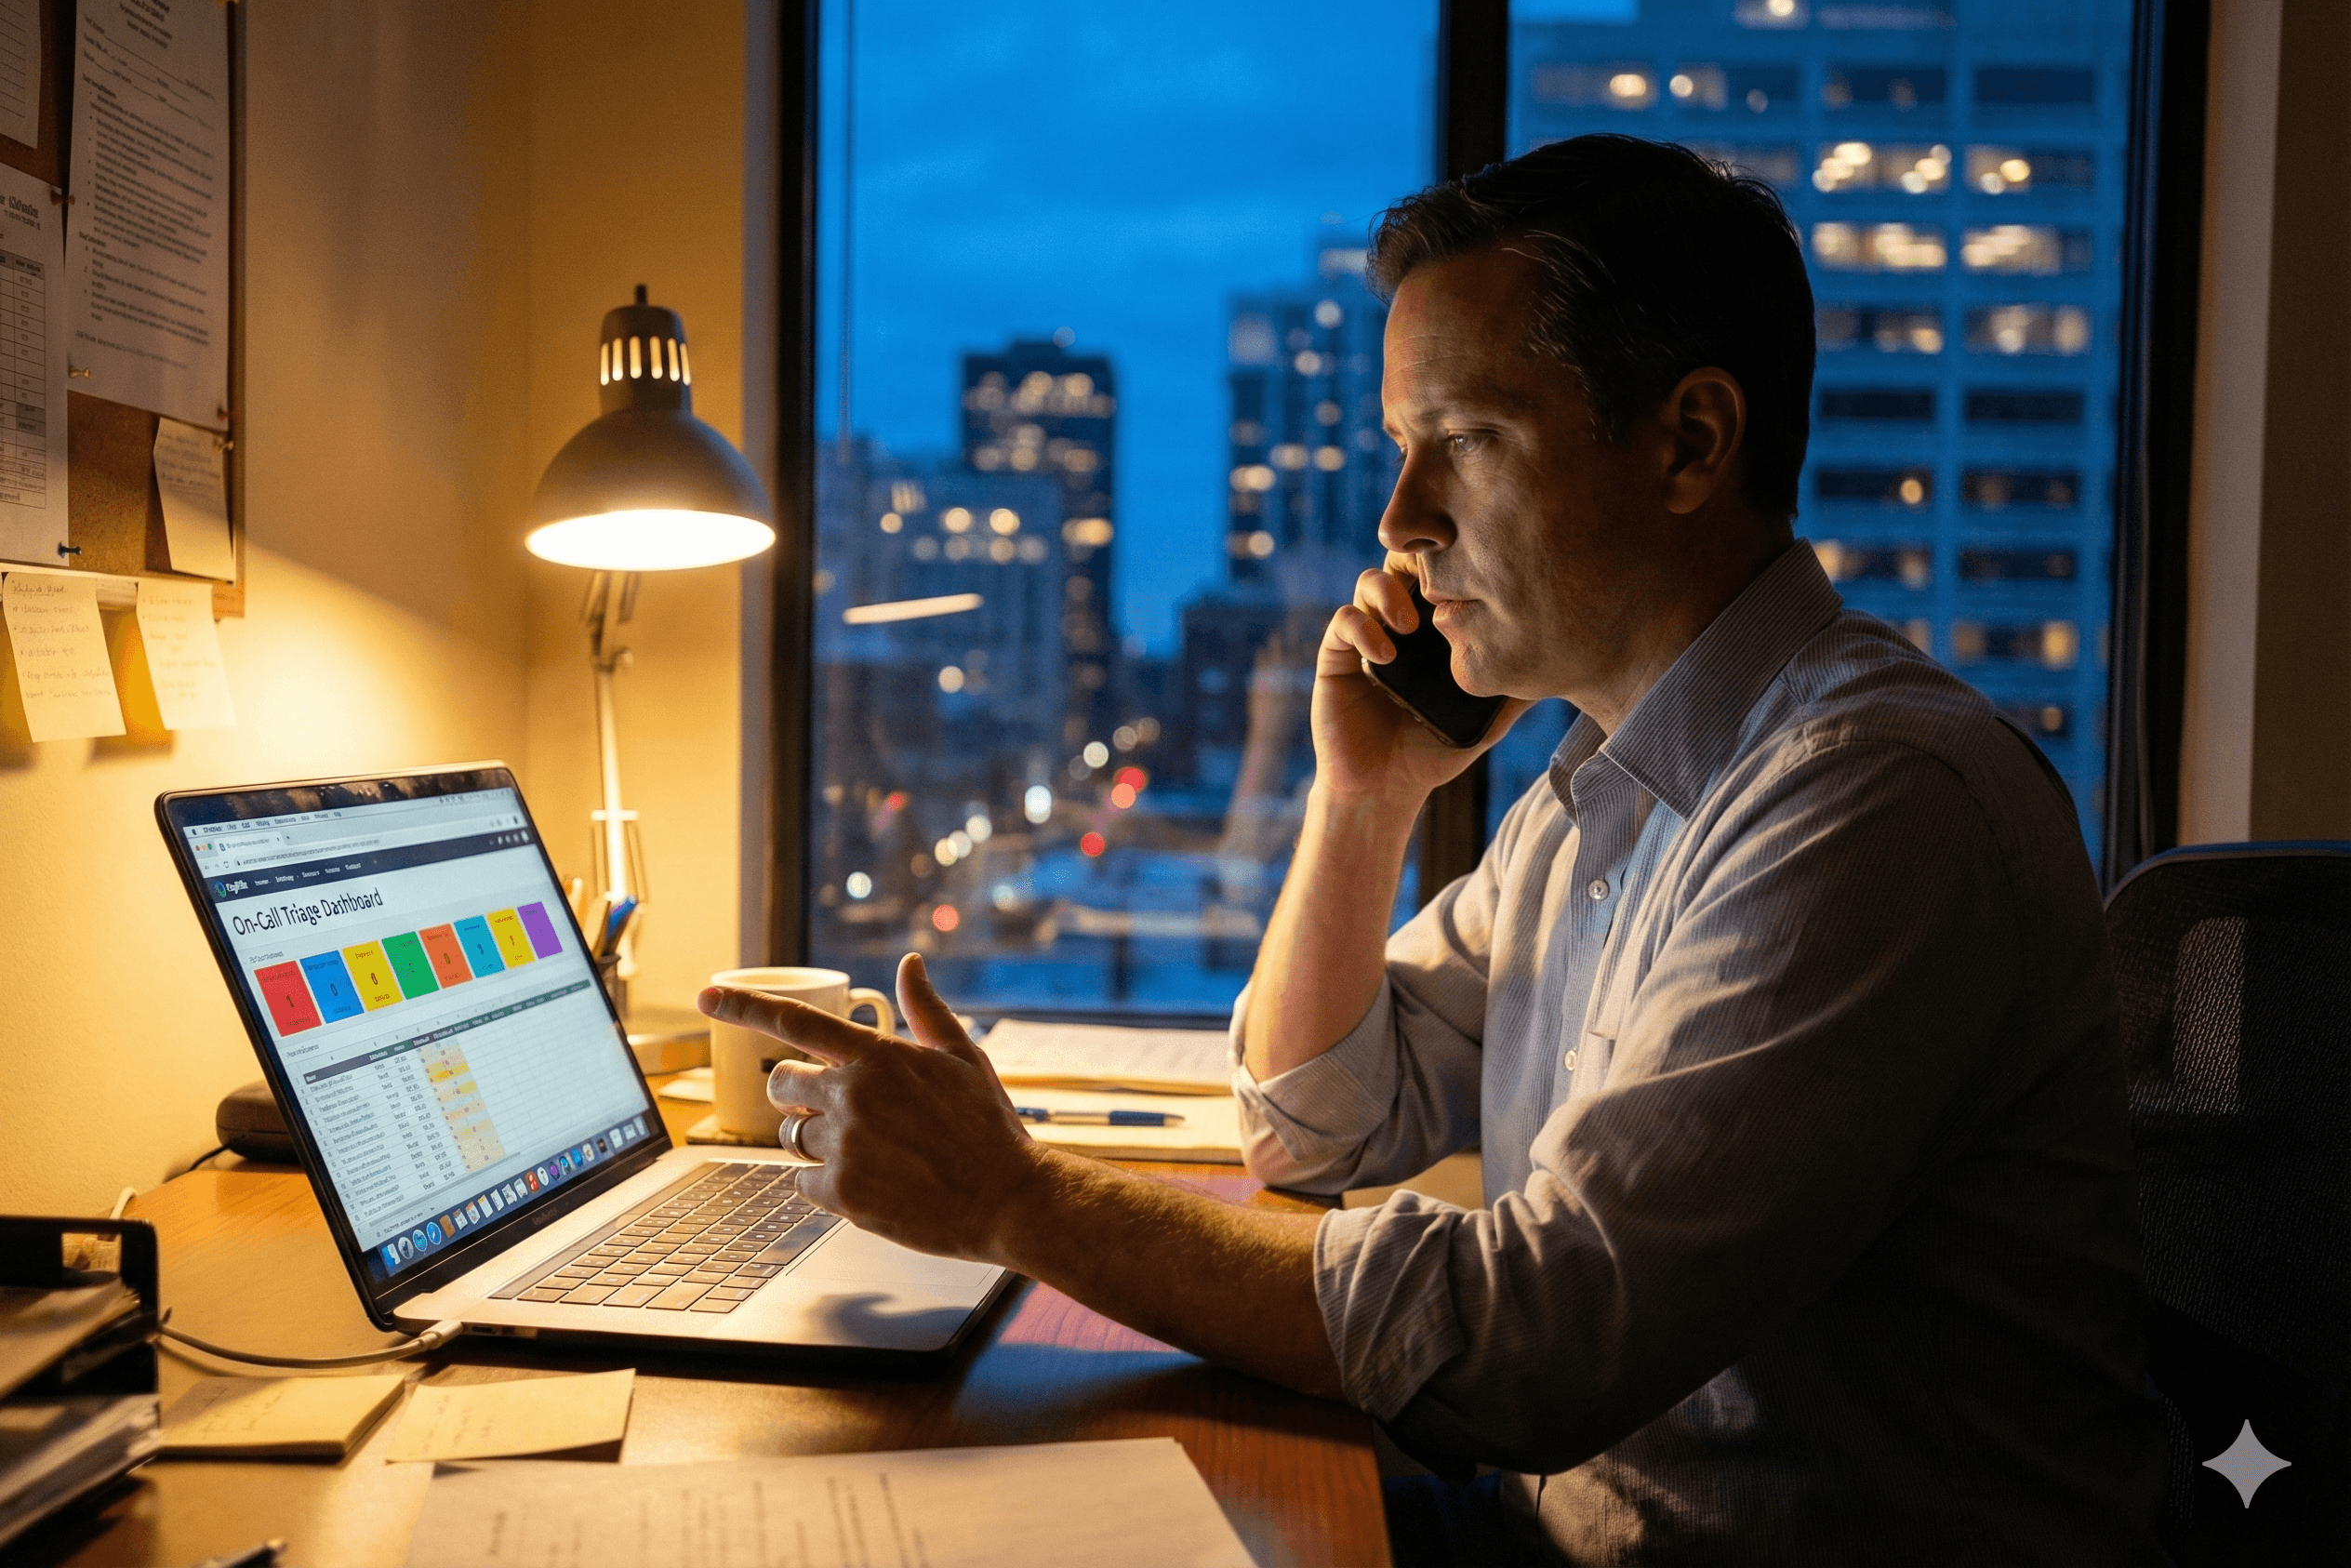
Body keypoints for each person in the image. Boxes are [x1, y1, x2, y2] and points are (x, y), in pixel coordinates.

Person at [701, 135, 2165, 1564]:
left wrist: (1018, 1199)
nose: (1400, 522)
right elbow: (1318, 1120)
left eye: (1465, 441)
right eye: (1405, 450)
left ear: (1691, 442)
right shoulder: (1606, 786)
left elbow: (1542, 1342)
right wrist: (1365, 797)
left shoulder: (1872, 804)